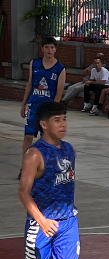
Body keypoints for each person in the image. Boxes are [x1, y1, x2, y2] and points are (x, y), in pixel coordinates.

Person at [5, 102, 84, 259]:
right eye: (57, 120)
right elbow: (23, 192)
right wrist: (41, 219)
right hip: (41, 223)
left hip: (68, 222)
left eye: (64, 119)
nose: (63, 124)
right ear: (43, 124)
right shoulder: (34, 154)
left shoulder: (69, 150)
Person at [19, 37, 65, 180]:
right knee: (28, 137)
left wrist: (53, 110)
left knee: (48, 138)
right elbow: (30, 84)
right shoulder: (35, 63)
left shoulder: (60, 68)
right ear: (42, 48)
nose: (49, 50)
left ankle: (48, 167)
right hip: (33, 105)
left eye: (52, 47)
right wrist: (24, 103)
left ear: (55, 49)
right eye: (46, 47)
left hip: (47, 108)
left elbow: (59, 91)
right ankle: (25, 167)